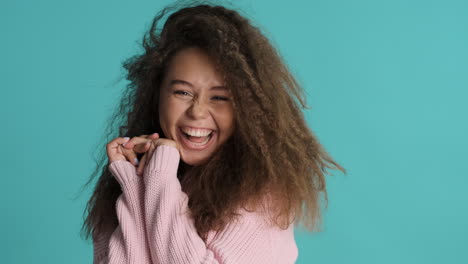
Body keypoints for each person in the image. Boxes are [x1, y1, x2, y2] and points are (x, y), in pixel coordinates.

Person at [81, 1, 346, 263]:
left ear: (246, 107)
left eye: (219, 98)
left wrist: (159, 178)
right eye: (182, 92)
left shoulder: (261, 192)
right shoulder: (137, 177)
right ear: (156, 94)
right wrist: (134, 181)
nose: (197, 111)